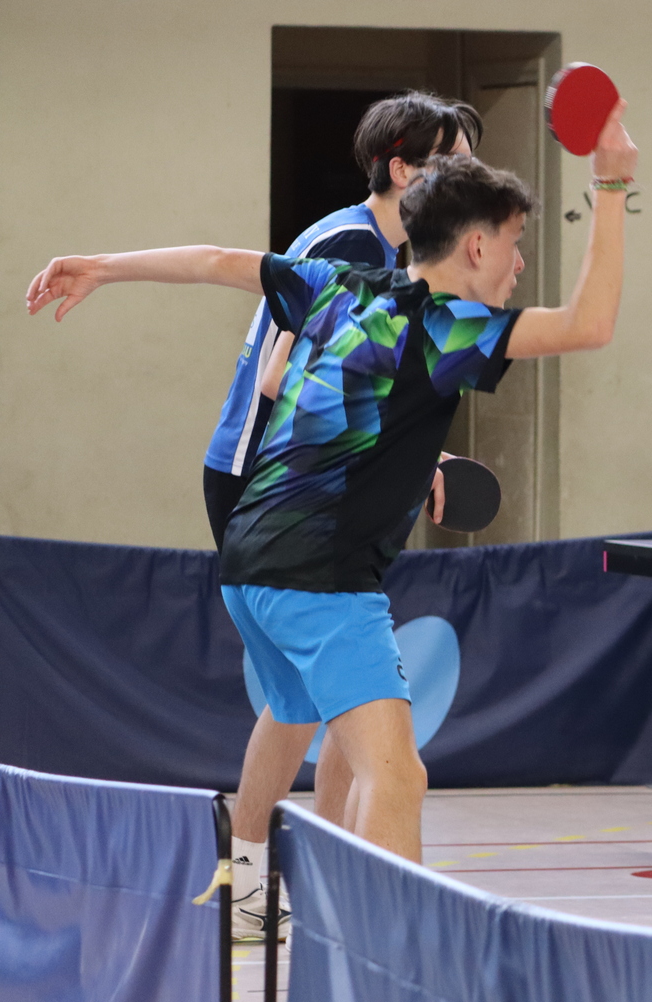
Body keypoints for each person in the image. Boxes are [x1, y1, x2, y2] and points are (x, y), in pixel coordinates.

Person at [27, 105, 638, 866]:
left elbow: (216, 261)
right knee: (398, 774)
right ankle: (371, 932)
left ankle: (250, 891)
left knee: (295, 713)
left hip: (248, 566)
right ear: (476, 245)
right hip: (325, 583)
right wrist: (611, 185)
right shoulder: (451, 328)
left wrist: (103, 265)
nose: (519, 267)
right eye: (515, 246)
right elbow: (589, 324)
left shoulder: (338, 283)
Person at [207, 90, 481, 936]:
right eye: (457, 161)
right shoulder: (353, 245)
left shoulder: (390, 251)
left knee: (301, 706)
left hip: (301, 483)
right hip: (275, 484)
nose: (473, 176)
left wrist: (416, 454)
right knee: (335, 716)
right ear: (403, 169)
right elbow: (284, 379)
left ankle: (263, 883)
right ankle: (297, 889)